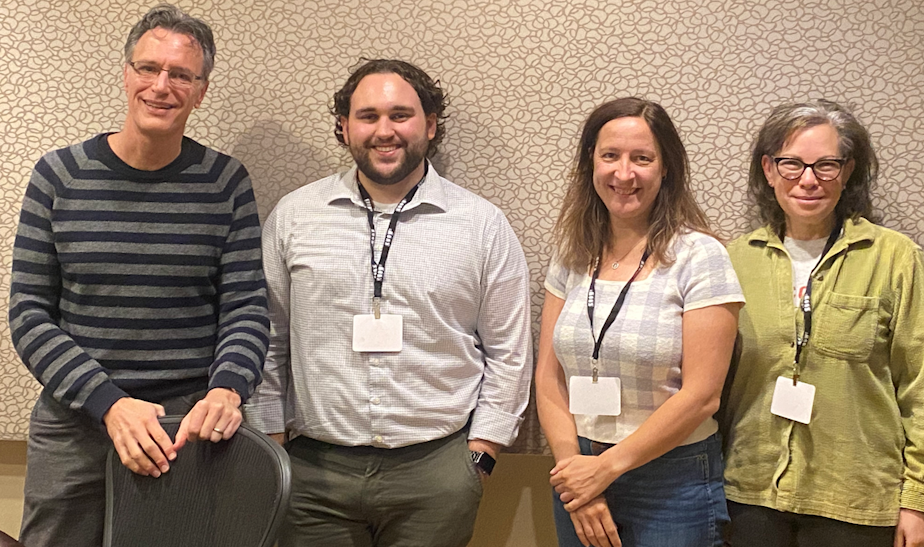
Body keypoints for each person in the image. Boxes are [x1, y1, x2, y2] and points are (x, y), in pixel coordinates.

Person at [244, 58, 533, 547]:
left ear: (431, 124)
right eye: (368, 116)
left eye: (400, 115)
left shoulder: (481, 225)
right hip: (313, 474)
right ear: (343, 127)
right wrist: (272, 446)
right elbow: (267, 339)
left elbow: (509, 351)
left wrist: (479, 457)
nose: (384, 131)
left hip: (437, 473)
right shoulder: (295, 217)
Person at [8, 5, 269, 546]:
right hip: (76, 419)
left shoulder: (225, 182)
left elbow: (245, 305)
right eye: (148, 68)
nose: (161, 85)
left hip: (183, 426)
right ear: (126, 74)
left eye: (181, 75)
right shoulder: (58, 175)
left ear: (201, 91)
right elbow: (29, 313)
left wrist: (228, 388)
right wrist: (110, 403)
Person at [535, 97, 744, 547]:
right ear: (590, 162)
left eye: (642, 158)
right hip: (578, 468)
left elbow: (702, 395)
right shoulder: (572, 254)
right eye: (610, 155)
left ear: (666, 168)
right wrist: (577, 475)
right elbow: (548, 377)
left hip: (671, 480)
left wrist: (606, 469)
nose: (624, 174)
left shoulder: (700, 256)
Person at [721, 100, 924, 547]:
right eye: (792, 164)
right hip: (751, 492)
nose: (808, 179)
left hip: (855, 498)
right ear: (769, 170)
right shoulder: (732, 261)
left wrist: (917, 499)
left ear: (847, 171)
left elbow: (920, 385)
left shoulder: (894, 258)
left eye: (826, 165)